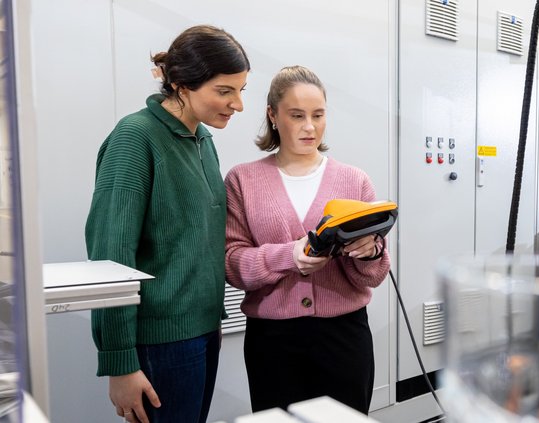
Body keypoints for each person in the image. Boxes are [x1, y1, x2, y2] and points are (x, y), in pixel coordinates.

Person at [85, 25, 250, 423]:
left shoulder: (202, 140)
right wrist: (120, 362)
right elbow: (111, 257)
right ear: (180, 84)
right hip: (159, 344)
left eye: (241, 89)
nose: (238, 104)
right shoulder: (135, 138)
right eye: (224, 91)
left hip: (203, 331)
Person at [224, 65, 390, 414]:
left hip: (344, 336)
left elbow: (374, 275)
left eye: (318, 115)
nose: (310, 126)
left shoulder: (354, 181)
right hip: (272, 342)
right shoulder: (243, 180)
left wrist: (369, 252)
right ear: (272, 115)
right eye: (297, 115)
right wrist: (288, 256)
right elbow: (232, 264)